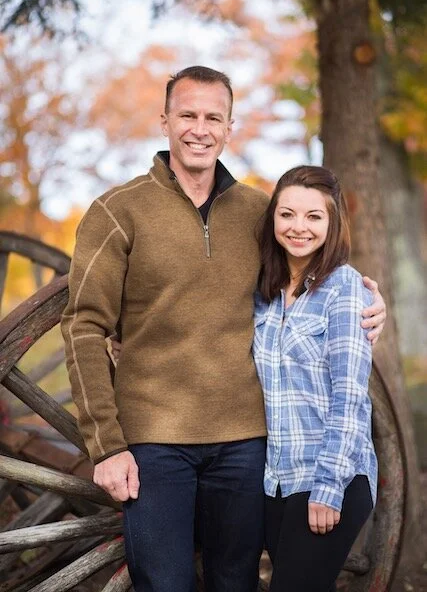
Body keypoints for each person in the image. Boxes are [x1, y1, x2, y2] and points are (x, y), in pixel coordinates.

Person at [61, 66, 385, 592]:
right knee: (164, 583)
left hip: (246, 443)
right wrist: (105, 445)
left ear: (230, 126)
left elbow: (313, 284)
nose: (199, 128)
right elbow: (83, 325)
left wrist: (372, 303)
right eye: (187, 115)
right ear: (164, 120)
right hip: (154, 441)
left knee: (235, 581)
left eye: (214, 117)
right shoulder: (118, 211)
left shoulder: (260, 213)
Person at [253, 165, 378, 592]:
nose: (298, 228)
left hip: (330, 477)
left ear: (332, 222)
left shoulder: (345, 288)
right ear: (273, 219)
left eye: (313, 217)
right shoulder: (262, 291)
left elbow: (350, 395)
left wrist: (328, 487)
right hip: (275, 481)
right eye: (287, 214)